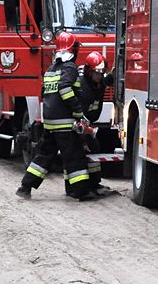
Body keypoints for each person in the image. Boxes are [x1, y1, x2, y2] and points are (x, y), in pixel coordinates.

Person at [16, 32, 99, 201]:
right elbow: (65, 89)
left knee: (43, 155)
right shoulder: (70, 68)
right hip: (64, 123)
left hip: (50, 122)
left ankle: (25, 187)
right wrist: (77, 112)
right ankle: (81, 192)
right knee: (74, 157)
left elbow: (44, 93)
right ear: (73, 49)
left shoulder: (51, 69)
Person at [74, 52, 114, 188]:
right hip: (76, 125)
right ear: (89, 72)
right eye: (97, 72)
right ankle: (81, 187)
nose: (100, 75)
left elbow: (109, 79)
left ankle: (95, 183)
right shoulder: (82, 87)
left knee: (95, 147)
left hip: (87, 122)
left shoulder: (98, 83)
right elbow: (79, 116)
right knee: (81, 151)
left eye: (102, 72)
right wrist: (83, 140)